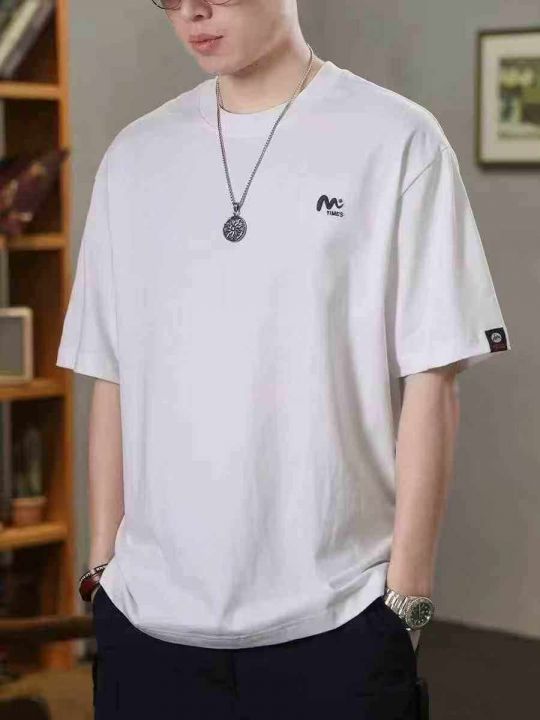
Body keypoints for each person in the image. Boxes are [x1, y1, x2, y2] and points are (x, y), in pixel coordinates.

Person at [56, 1, 512, 718]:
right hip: (147, 629)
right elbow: (109, 370)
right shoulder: (134, 157)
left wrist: (407, 599)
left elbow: (433, 377)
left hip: (339, 624)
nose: (192, 11)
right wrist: (101, 570)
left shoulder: (398, 140)